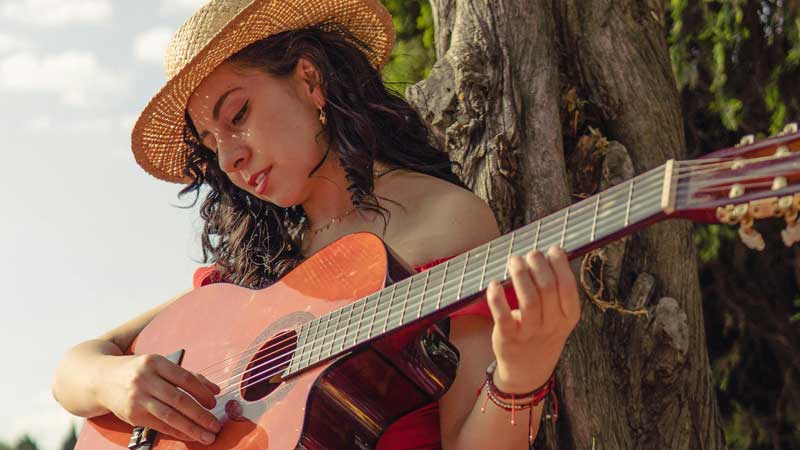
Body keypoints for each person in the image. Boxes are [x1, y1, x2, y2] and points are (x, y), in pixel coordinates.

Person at [52, 0, 581, 449]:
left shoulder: (445, 222)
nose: (230, 158)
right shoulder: (249, 268)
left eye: (237, 116)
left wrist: (521, 376)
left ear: (309, 80)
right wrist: (114, 381)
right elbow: (71, 372)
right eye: (212, 144)